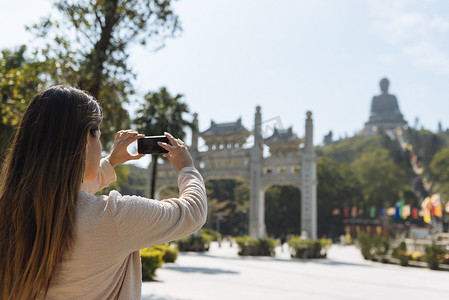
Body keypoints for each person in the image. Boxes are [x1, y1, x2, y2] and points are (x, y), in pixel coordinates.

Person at [0, 86, 207, 300]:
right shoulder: (113, 218)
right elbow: (193, 212)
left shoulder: (9, 212)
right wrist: (187, 168)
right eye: (98, 134)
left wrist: (110, 163)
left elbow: (65, 194)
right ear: (85, 142)